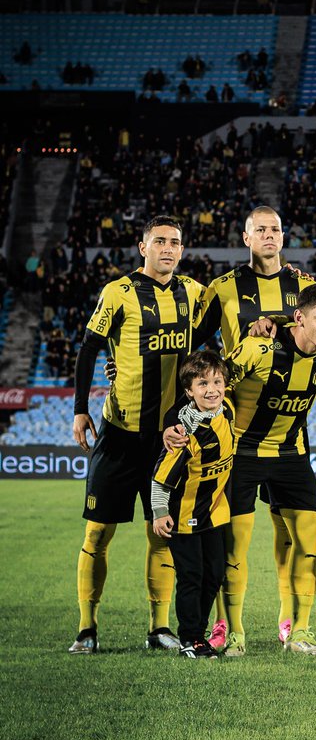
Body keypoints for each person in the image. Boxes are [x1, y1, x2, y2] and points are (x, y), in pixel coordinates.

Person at [70, 215, 205, 654]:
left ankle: (159, 628)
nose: (168, 248)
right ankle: (87, 629)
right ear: (143, 246)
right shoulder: (119, 292)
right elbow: (90, 346)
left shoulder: (194, 293)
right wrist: (79, 410)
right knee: (97, 534)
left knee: (160, 532)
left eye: (175, 243)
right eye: (160, 241)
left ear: (182, 250)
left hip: (167, 439)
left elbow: (239, 309)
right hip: (120, 434)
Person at [194, 284, 316, 657]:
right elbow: (214, 385)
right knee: (235, 548)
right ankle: (234, 634)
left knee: (309, 543)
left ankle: (300, 631)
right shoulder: (258, 348)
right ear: (300, 318)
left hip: (291, 454)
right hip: (241, 454)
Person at [192, 206, 314, 648]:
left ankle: (292, 625)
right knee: (234, 542)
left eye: (276, 229)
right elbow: (192, 351)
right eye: (260, 229)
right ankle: (229, 627)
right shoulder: (222, 289)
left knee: (294, 538)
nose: (269, 235)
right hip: (237, 438)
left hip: (290, 439)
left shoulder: (304, 287)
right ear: (246, 237)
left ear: (284, 237)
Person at [151, 351, 234, 658]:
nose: (211, 389)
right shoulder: (184, 434)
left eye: (217, 381)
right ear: (189, 391)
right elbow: (160, 479)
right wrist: (160, 513)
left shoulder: (227, 412)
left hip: (214, 514)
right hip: (184, 517)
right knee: (192, 577)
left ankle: (198, 634)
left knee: (214, 575)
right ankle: (191, 637)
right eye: (202, 384)